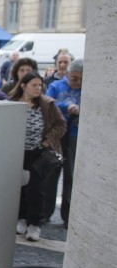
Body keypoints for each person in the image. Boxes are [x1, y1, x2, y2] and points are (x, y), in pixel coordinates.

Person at [8, 72, 66, 242]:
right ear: (23, 86)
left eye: (40, 85)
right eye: (34, 85)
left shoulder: (47, 104)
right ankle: (21, 218)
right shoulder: (12, 103)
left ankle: (35, 223)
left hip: (38, 153)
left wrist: (48, 140)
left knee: (36, 189)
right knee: (20, 187)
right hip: (17, 153)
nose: (37, 88)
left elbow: (61, 124)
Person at [46, 59, 83, 228]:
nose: (77, 82)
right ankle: (44, 213)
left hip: (76, 136)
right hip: (57, 136)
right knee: (51, 174)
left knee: (71, 176)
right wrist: (66, 105)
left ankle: (68, 216)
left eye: (81, 79)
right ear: (68, 74)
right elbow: (47, 104)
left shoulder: (86, 90)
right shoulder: (56, 86)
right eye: (74, 78)